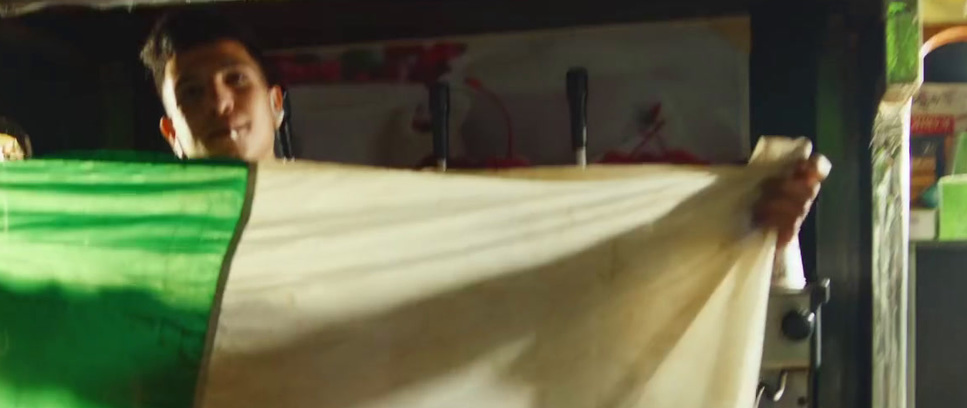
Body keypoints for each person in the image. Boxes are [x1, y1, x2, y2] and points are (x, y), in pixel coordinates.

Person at [139, 8, 825, 246]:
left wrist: (750, 225)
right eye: (192, 93)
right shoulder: (149, 241)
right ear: (172, 135)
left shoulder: (349, 212)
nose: (220, 104)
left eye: (236, 81)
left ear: (277, 102)